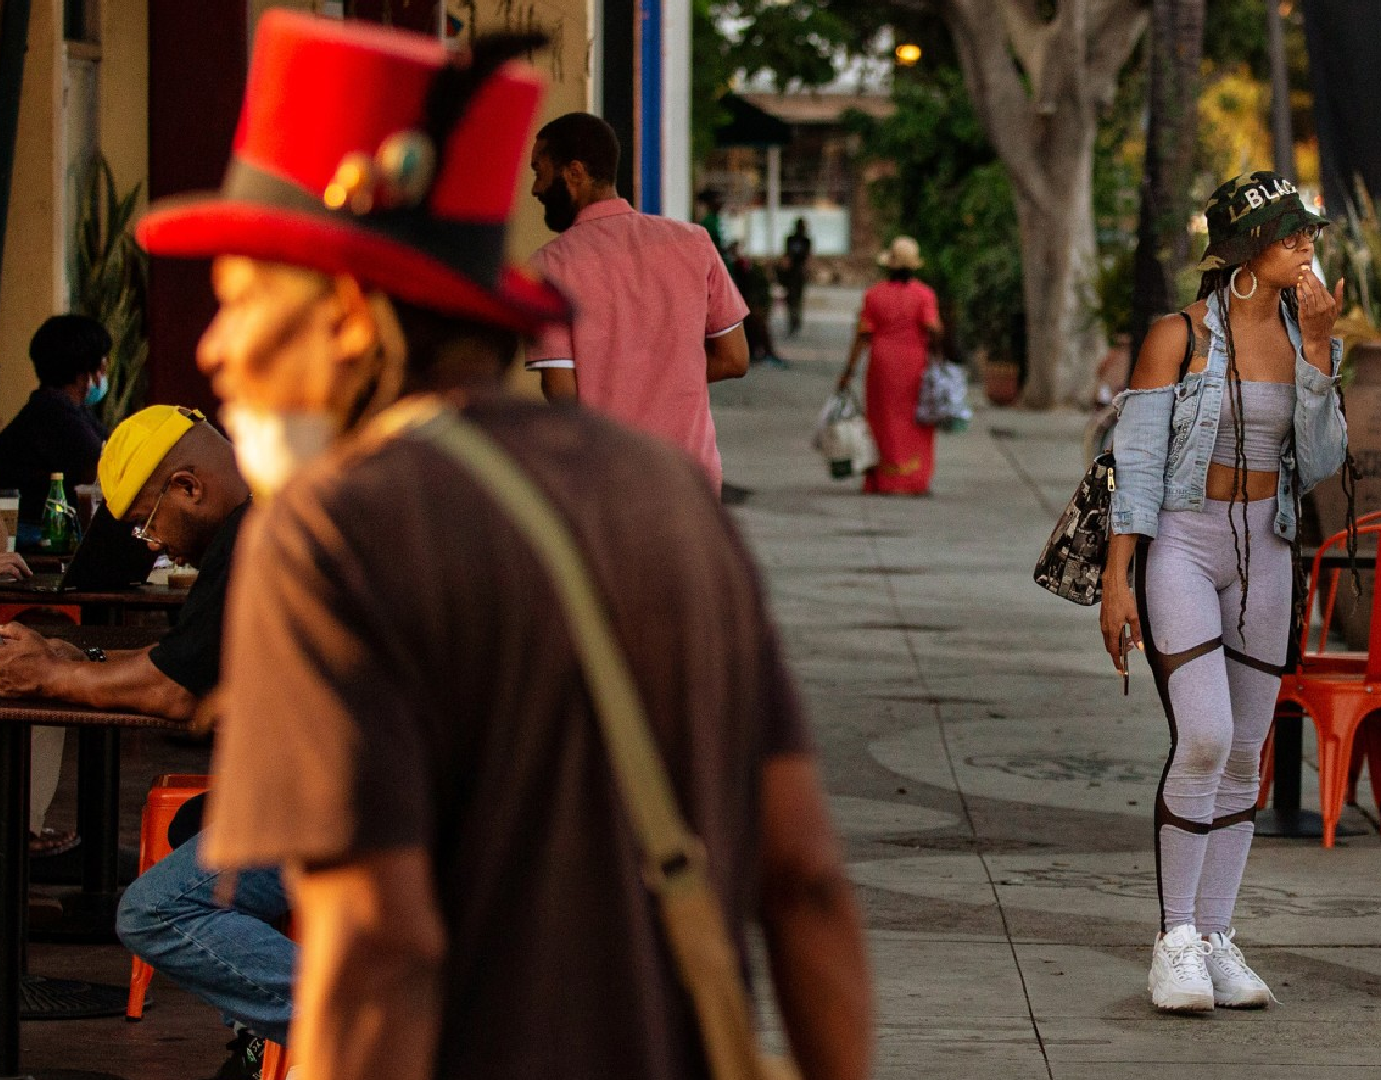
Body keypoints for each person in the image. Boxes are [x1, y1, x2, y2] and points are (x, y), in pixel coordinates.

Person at [134, 14, 871, 1080]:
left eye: (245, 299)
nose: (216, 346)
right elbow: (803, 880)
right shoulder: (669, 502)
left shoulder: (332, 538)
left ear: (347, 312)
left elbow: (376, 952)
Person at [1099, 173, 1347, 1013]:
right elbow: (1132, 463)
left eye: (1306, 232)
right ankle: (1173, 939)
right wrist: (1116, 578)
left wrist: (1317, 353)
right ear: (1244, 250)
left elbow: (1317, 463)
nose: (1306, 245)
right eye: (1288, 235)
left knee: (1247, 749)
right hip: (1182, 540)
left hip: (1268, 547)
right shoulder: (1177, 336)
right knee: (1202, 736)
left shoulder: (1306, 332)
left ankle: (1213, 934)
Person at [0, 405, 290, 1076]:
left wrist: (54, 674)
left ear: (189, 487)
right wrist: (71, 666)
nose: (153, 545)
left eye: (147, 523)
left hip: (360, 802)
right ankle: (258, 1039)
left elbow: (174, 690)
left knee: (156, 911)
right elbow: (186, 663)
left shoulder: (258, 532)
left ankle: (386, 1025)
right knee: (196, 825)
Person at [526, 113, 750, 492]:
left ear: (575, 172)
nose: (535, 188)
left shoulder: (551, 266)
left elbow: (561, 393)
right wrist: (664, 374)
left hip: (607, 484)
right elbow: (734, 358)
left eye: (540, 172)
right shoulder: (693, 243)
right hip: (692, 483)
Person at [836, 237, 944, 496]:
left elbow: (863, 336)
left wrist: (849, 371)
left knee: (881, 419)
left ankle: (884, 478)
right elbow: (932, 328)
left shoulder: (874, 295)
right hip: (913, 364)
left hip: (882, 365)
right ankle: (912, 479)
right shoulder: (924, 295)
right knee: (914, 421)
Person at [0, 315, 113, 548]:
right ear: (87, 370)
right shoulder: (52, 412)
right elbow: (104, 468)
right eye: (103, 364)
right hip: (35, 540)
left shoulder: (70, 409)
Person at [781, 218, 813, 335]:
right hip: (792, 273)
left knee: (797, 298)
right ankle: (793, 321)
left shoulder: (805, 240)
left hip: (798, 272)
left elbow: (808, 257)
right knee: (792, 298)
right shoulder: (792, 239)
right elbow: (787, 257)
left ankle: (796, 321)